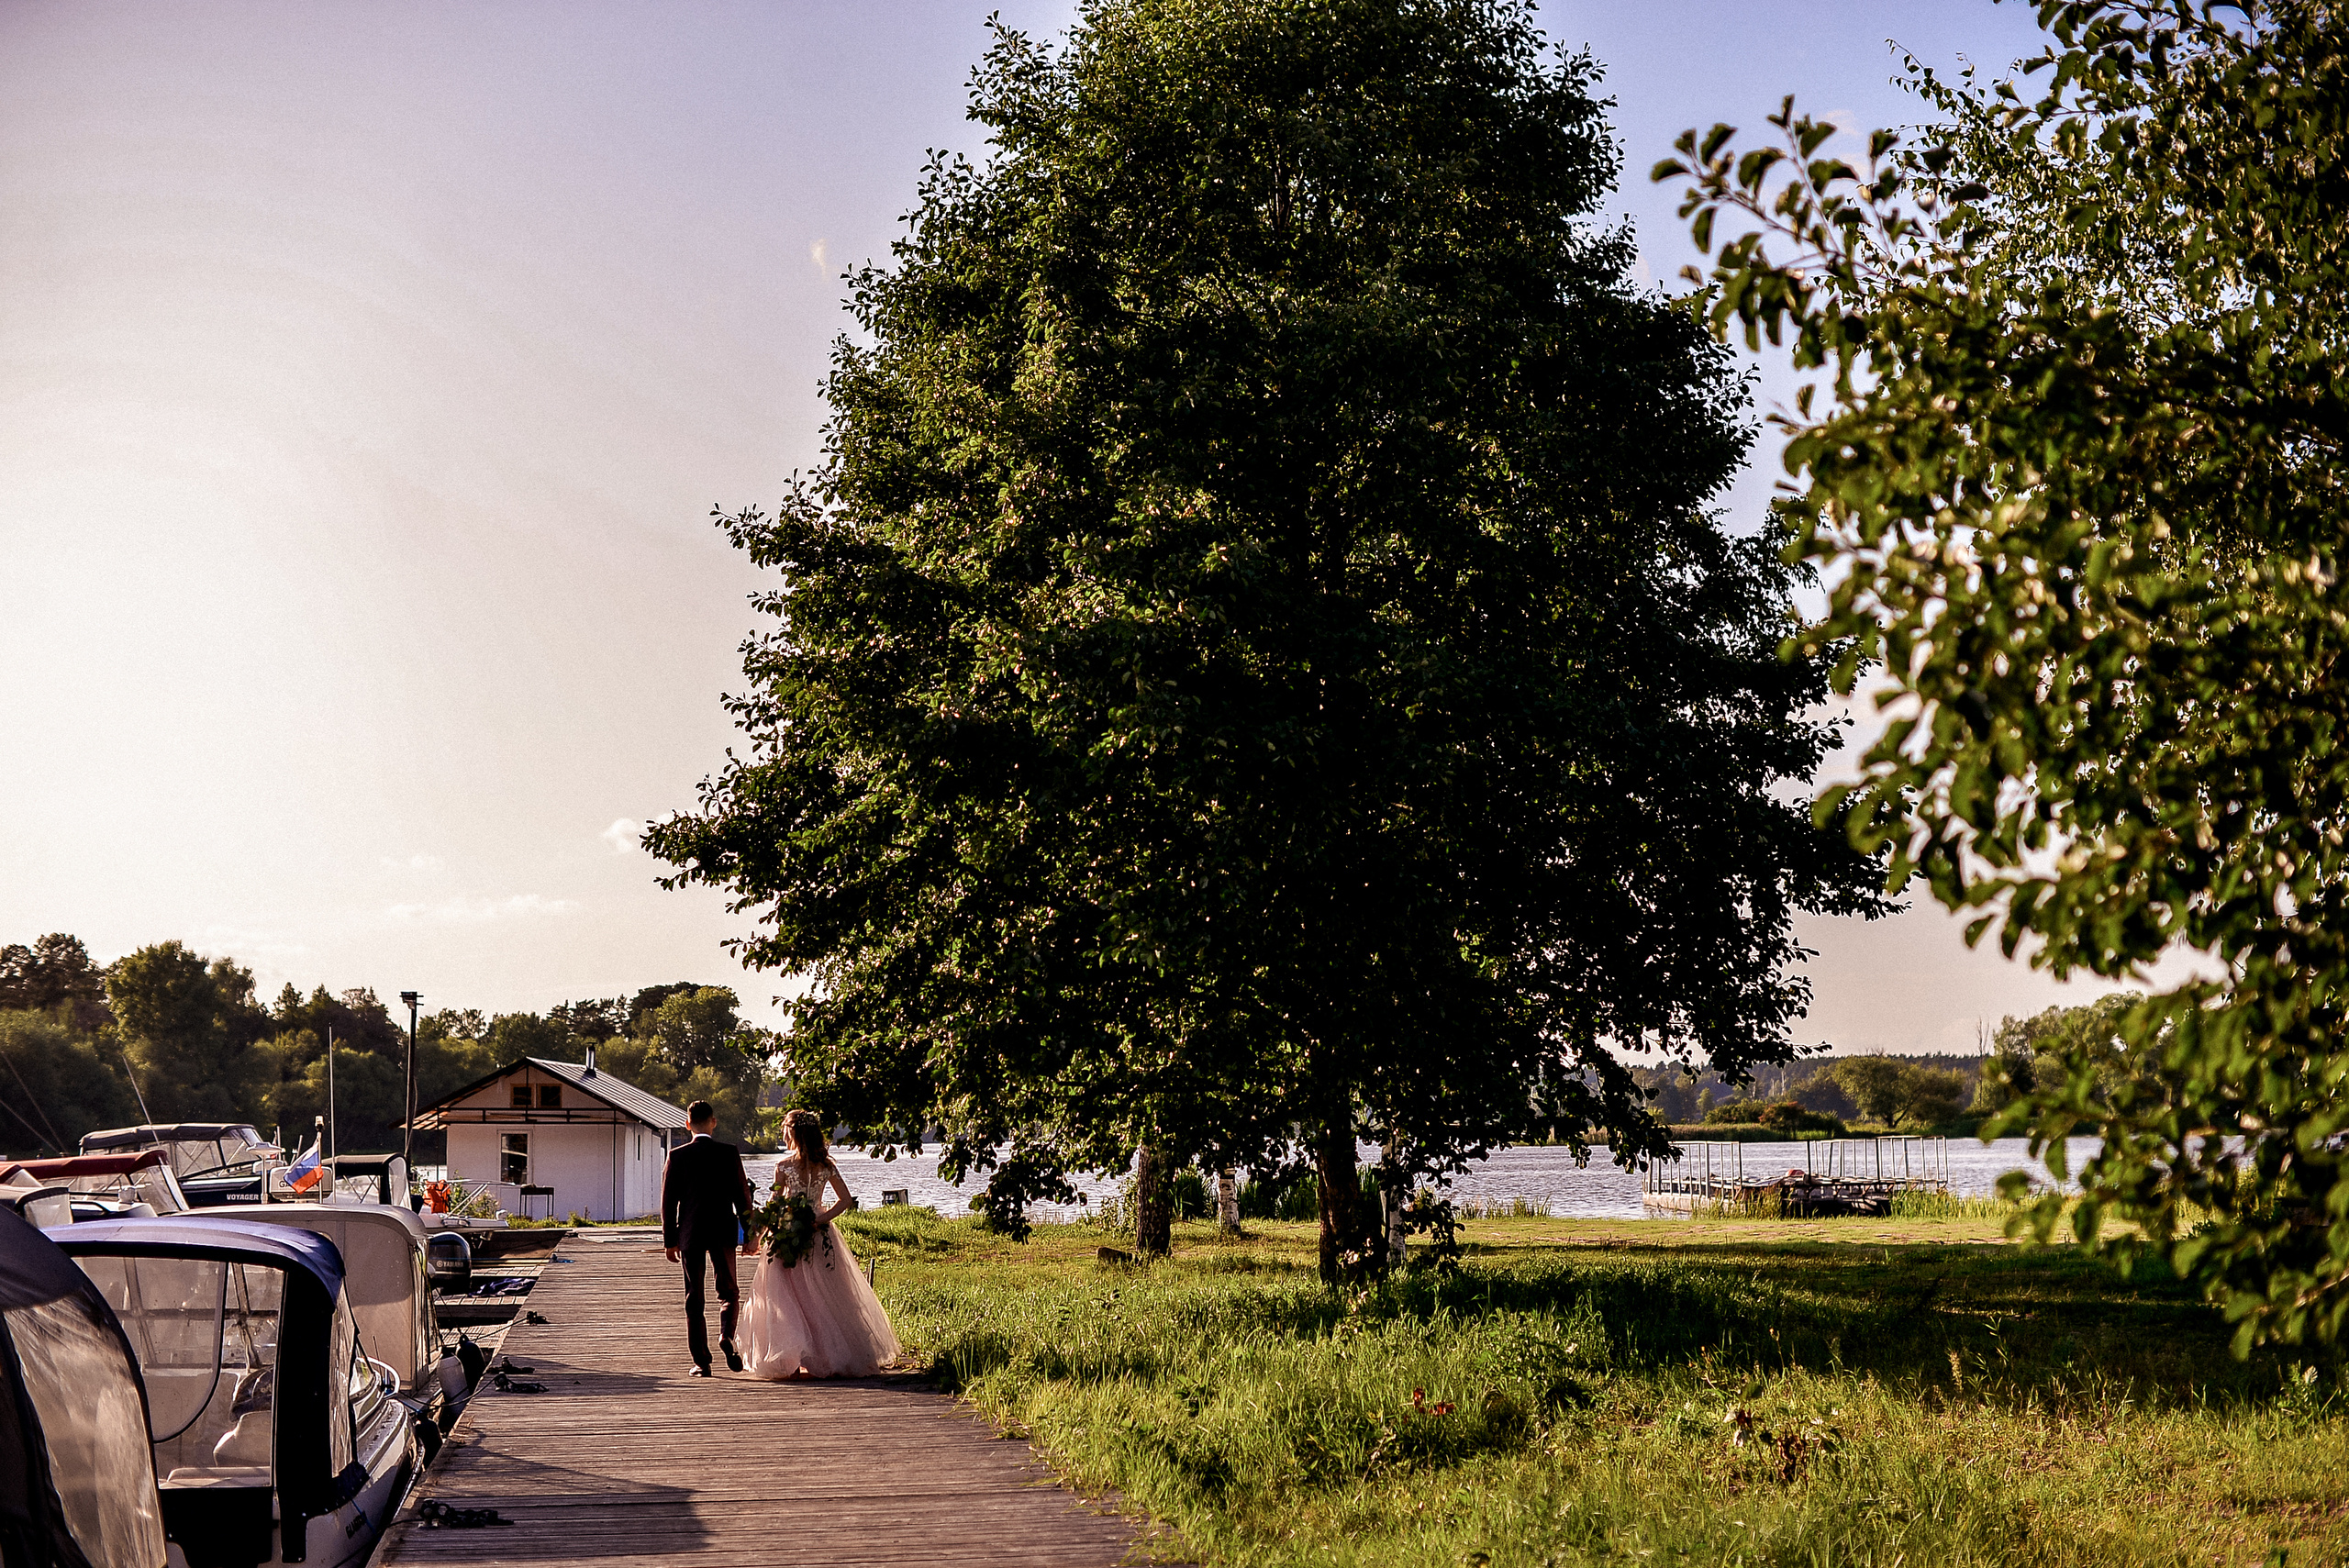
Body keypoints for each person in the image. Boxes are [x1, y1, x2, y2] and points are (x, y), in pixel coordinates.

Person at [741, 1110, 901, 1378]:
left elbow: (774, 1204)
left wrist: (758, 1236)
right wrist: (820, 1219)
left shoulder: (783, 1166)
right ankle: (821, 1355)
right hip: (818, 1230)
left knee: (788, 1295)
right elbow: (845, 1200)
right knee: (820, 1294)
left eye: (786, 1130)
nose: (783, 1135)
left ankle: (793, 1358)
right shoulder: (825, 1166)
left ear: (793, 1133)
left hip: (788, 1230)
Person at [661, 1099, 756, 1376]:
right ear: (713, 1122)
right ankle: (726, 1335)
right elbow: (743, 1197)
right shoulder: (729, 1153)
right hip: (723, 1230)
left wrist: (670, 1240)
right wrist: (750, 1234)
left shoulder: (677, 1156)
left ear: (687, 1124)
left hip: (690, 1232)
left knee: (694, 1297)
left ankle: (702, 1362)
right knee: (729, 1292)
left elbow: (668, 1202)